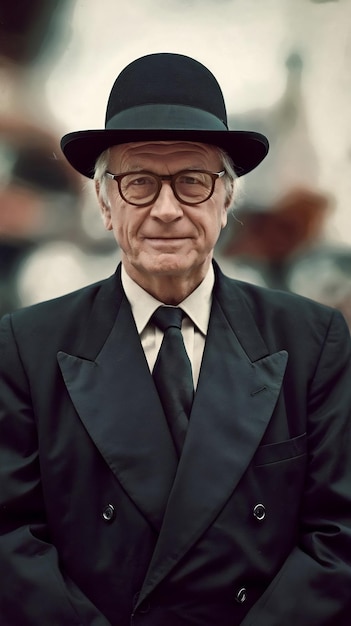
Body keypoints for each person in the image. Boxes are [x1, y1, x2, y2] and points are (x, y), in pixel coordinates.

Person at [0, 52, 351, 626]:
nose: (166, 210)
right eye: (139, 183)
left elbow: (339, 535)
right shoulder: (24, 347)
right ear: (104, 203)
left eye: (192, 182)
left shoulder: (314, 342)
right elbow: (10, 543)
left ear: (226, 198)